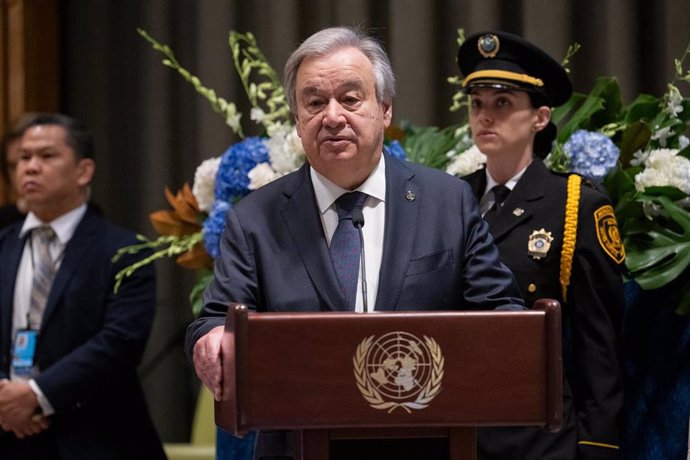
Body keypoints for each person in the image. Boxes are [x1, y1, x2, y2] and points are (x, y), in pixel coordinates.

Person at [186, 26, 525, 460]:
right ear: (296, 119)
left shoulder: (448, 202)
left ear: (384, 110)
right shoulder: (254, 218)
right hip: (299, 446)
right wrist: (213, 336)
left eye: (350, 99)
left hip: (426, 444)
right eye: (314, 102)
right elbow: (216, 317)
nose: (332, 116)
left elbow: (500, 311)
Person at [457, 31, 625, 459]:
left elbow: (598, 343)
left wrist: (598, 444)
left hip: (536, 437)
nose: (485, 117)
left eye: (503, 103)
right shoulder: (452, 198)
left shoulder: (573, 205)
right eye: (477, 104)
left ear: (540, 117)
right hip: (457, 428)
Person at [0, 113, 166, 459]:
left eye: (46, 156)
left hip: (96, 437)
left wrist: (36, 394)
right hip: (10, 432)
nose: (29, 167)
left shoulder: (125, 251)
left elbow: (119, 343)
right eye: (24, 158)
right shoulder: (2, 246)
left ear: (83, 171)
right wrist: (6, 399)